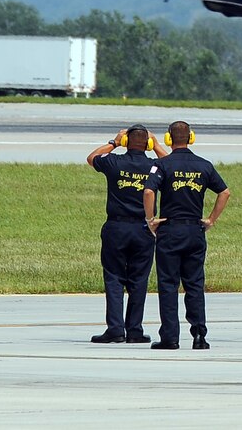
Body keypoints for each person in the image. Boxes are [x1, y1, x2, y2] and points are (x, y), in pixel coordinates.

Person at [143, 121, 231, 350]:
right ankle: (199, 335)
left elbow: (149, 190)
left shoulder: (161, 164)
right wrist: (211, 219)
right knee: (194, 284)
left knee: (168, 284)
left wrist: (150, 219)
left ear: (169, 139)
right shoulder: (204, 165)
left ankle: (170, 337)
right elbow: (225, 192)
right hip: (195, 230)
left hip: (170, 230)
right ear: (191, 137)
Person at [87, 124, 168, 344]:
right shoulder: (154, 166)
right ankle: (134, 329)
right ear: (147, 144)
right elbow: (170, 163)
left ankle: (115, 328)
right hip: (144, 229)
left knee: (113, 278)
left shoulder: (114, 162)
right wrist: (157, 145)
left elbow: (92, 157)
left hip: (116, 227)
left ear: (126, 142)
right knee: (139, 280)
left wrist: (113, 142)